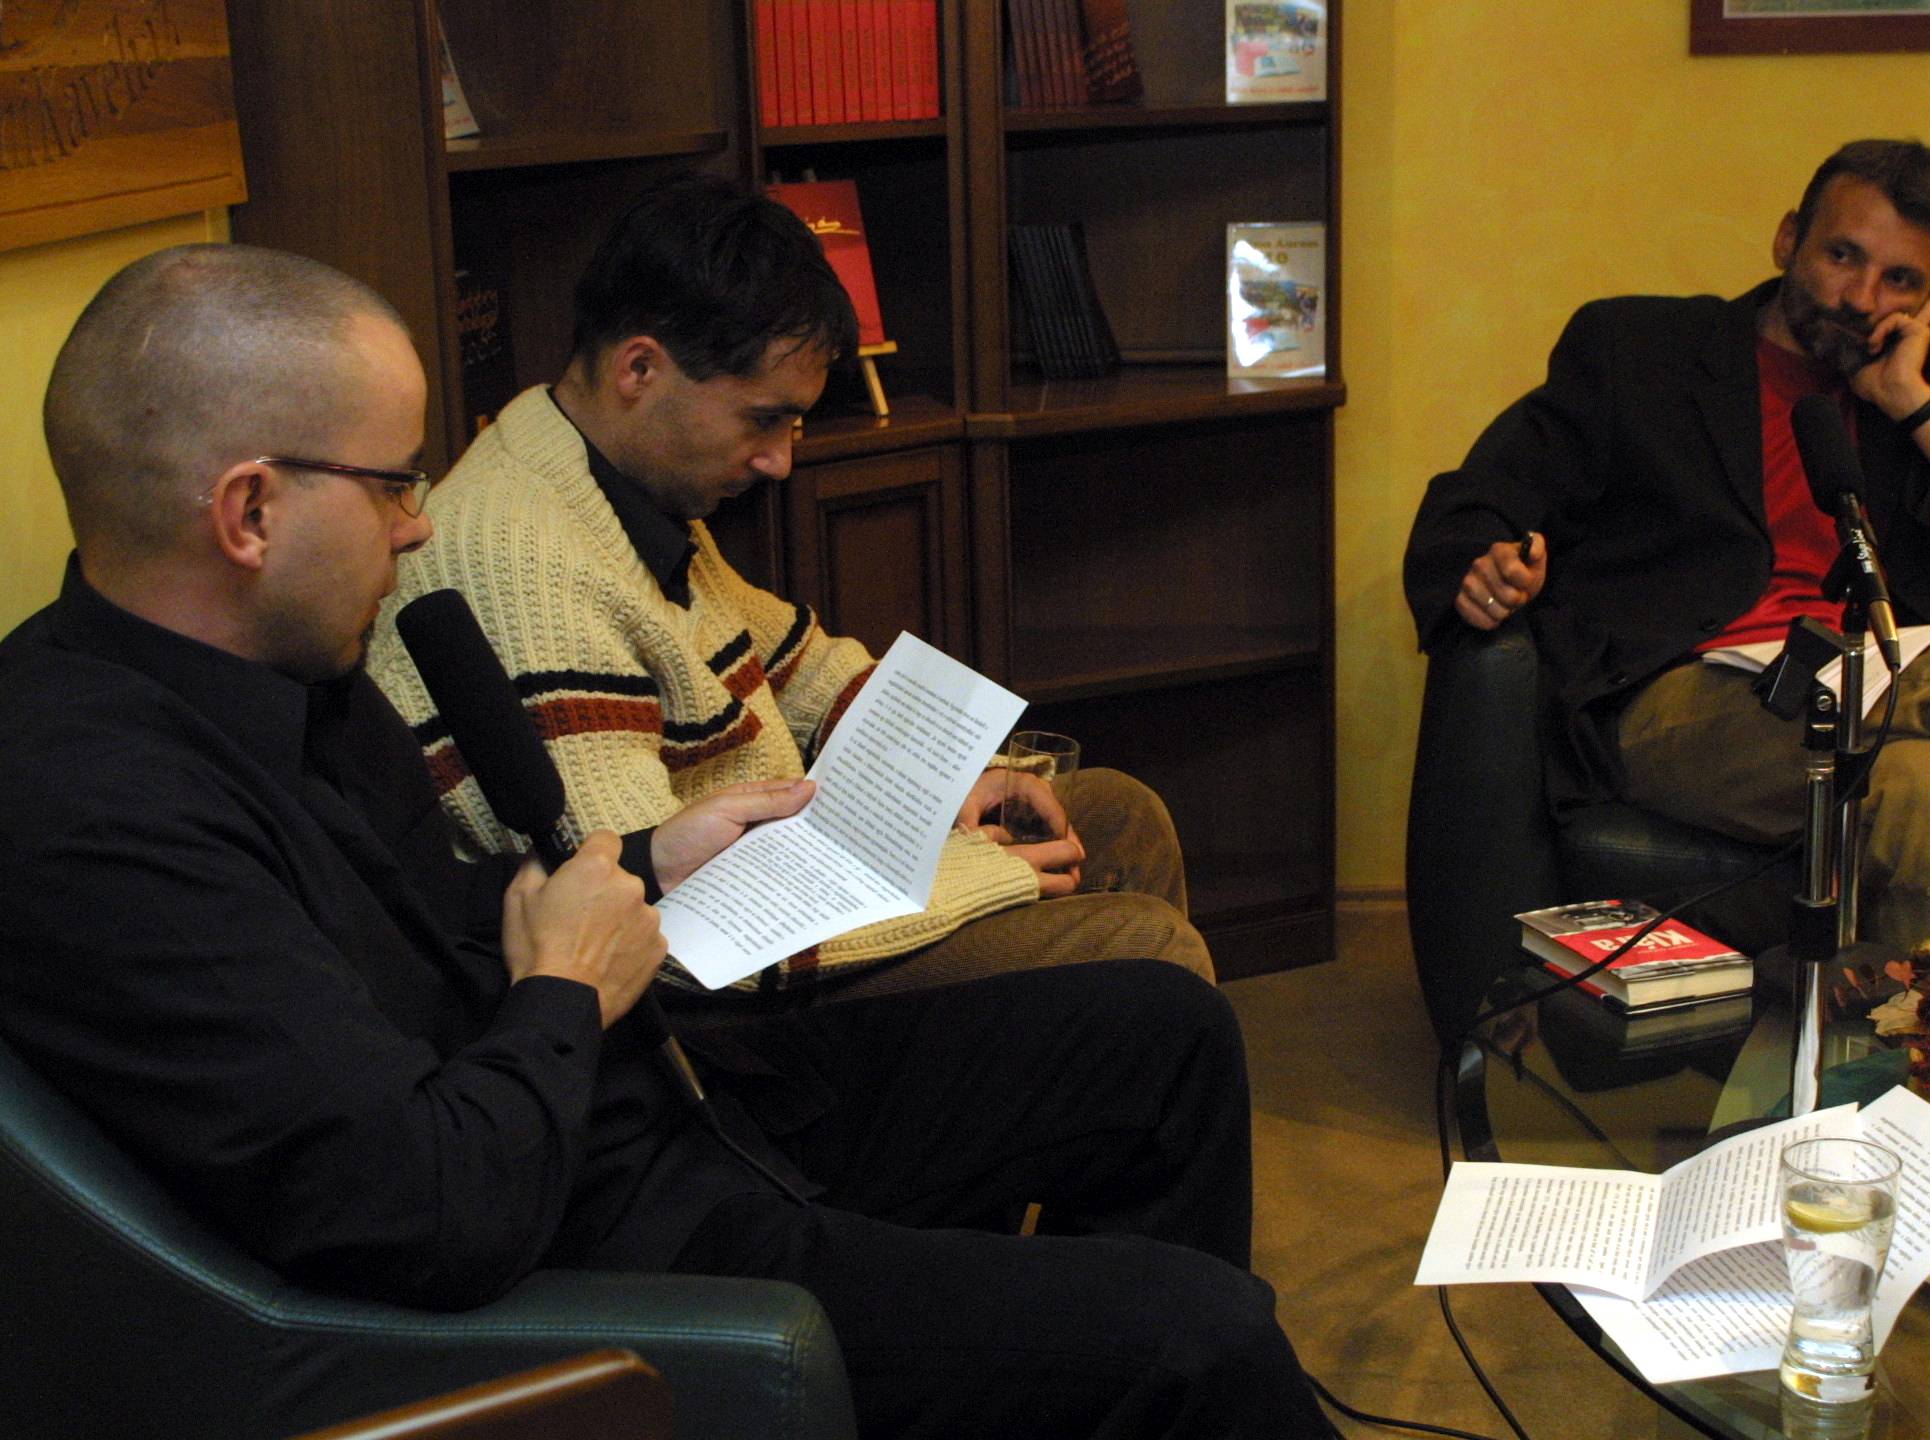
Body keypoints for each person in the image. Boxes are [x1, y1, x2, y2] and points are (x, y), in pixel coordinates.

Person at [0, 242, 1334, 1437]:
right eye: (394, 483)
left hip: (667, 1106)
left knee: (1162, 1037)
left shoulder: (300, 676)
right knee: (1199, 1339)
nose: (419, 523)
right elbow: (430, 1208)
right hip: (604, 1243)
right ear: (249, 513)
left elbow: (436, 917)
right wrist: (567, 988)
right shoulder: (99, 815)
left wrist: (647, 865)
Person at [365, 175, 1210, 999]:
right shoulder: (521, 562)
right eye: (763, 419)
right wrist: (977, 873)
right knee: (1145, 948)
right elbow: (664, 930)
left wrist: (956, 777)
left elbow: (794, 661)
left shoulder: (603, 476)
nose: (780, 460)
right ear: (640, 369)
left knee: (1120, 814)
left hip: (775, 878)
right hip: (713, 994)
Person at [1403, 139, 1930, 950]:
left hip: (1869, 673)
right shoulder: (1643, 350)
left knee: (1929, 787)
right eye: (1842, 256)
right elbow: (1482, 492)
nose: (1861, 297)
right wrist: (1485, 560)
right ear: (1787, 240)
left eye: (1900, 280)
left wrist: (1915, 407)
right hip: (1687, 694)